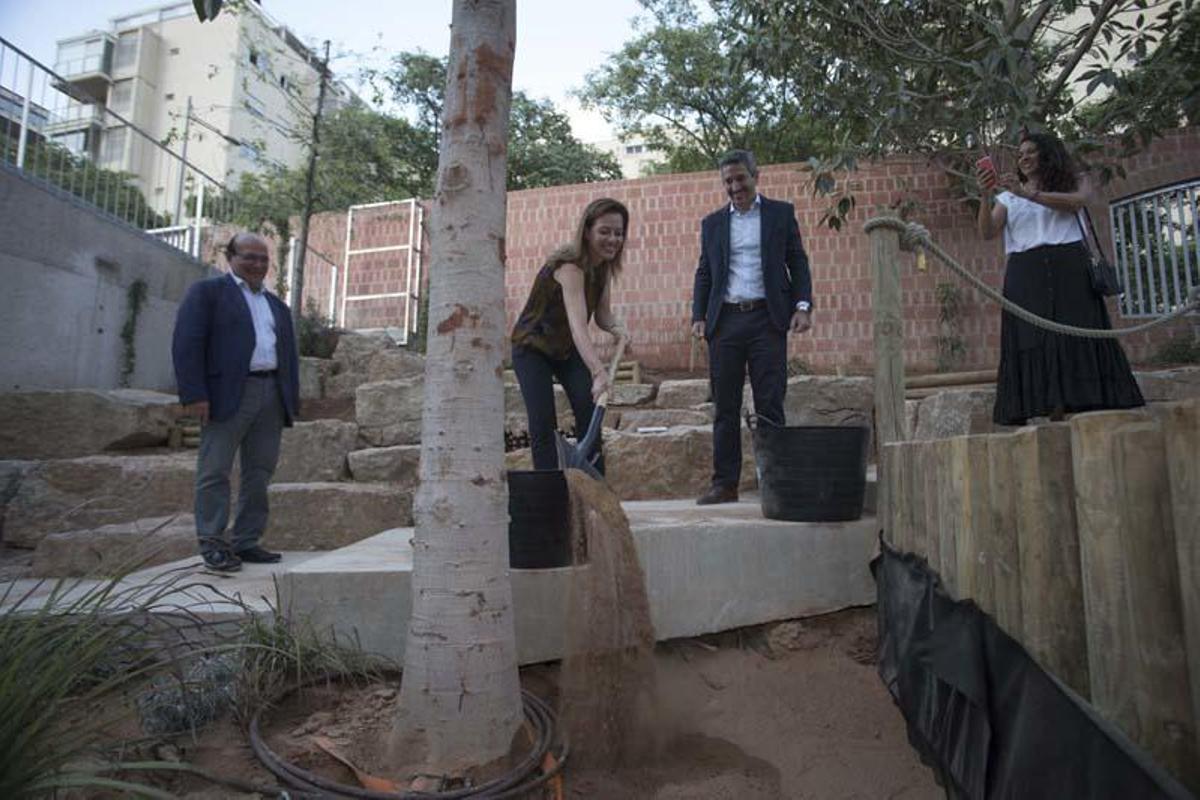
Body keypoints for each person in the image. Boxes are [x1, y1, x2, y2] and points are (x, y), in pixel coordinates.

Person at [976, 131, 1144, 425]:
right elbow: (988, 231)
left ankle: (1089, 399)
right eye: (1020, 155)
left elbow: (1077, 202)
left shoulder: (1073, 180)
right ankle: (1044, 404)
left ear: (1048, 153)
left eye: (1030, 152)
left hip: (1069, 264)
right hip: (1025, 270)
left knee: (1075, 328)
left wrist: (1029, 194)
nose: (1024, 158)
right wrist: (984, 195)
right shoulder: (1008, 197)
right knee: (1033, 335)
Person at [172, 232, 300, 572]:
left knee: (259, 472)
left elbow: (288, 356)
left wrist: (290, 399)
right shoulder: (208, 293)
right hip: (227, 394)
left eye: (263, 259)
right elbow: (187, 343)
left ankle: (247, 541)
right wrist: (195, 394)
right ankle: (213, 544)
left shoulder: (277, 306)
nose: (257, 264)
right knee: (214, 471)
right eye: (249, 257)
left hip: (270, 394)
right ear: (230, 258)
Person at [691, 150, 813, 505]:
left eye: (740, 178)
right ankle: (724, 484)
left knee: (770, 402)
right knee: (724, 407)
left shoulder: (781, 214)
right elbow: (705, 272)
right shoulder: (712, 224)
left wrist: (802, 306)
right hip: (725, 322)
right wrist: (699, 315)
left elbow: (798, 263)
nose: (734, 187)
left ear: (755, 175)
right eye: (727, 181)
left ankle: (776, 481)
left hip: (767, 320)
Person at [511, 198, 631, 473]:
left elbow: (602, 316)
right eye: (605, 231)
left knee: (590, 415)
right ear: (587, 231)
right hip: (532, 348)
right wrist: (598, 371)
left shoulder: (603, 269)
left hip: (564, 350)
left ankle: (595, 493)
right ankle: (550, 494)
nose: (613, 239)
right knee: (543, 424)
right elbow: (579, 327)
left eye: (618, 232)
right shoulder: (569, 267)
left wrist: (618, 330)